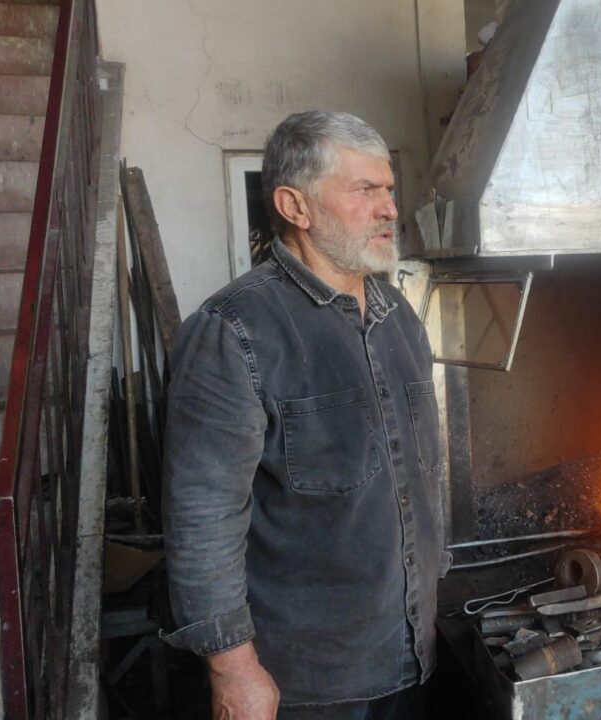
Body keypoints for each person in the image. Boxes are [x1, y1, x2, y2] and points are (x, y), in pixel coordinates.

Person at [161, 111, 447, 720]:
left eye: (389, 189)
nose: (390, 209)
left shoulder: (399, 315)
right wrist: (233, 671)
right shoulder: (234, 330)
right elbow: (201, 517)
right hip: (306, 682)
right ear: (296, 205)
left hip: (411, 654)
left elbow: (422, 475)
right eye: (364, 190)